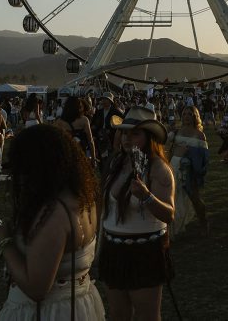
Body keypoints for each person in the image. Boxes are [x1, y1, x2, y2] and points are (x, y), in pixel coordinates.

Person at [0, 124, 104, 320]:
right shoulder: (83, 197)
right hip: (77, 304)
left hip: (50, 312)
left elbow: (36, 288)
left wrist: (4, 242)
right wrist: (14, 235)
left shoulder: (54, 214)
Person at [97, 107, 175, 321]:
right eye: (124, 132)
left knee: (147, 316)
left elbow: (169, 214)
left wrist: (147, 196)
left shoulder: (158, 168)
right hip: (114, 249)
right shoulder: (117, 162)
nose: (126, 138)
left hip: (144, 251)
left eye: (134, 133)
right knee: (118, 314)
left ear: (149, 137)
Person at [168, 106, 209, 237]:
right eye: (184, 114)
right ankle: (174, 226)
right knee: (174, 197)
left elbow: (204, 157)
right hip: (174, 166)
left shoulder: (200, 135)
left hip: (190, 169)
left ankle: (204, 223)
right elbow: (171, 149)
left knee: (195, 197)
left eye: (189, 114)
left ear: (195, 116)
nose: (186, 116)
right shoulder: (177, 131)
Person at [55, 96, 98, 166]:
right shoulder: (84, 120)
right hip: (80, 150)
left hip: (65, 151)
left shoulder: (59, 121)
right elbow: (90, 140)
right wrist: (93, 158)